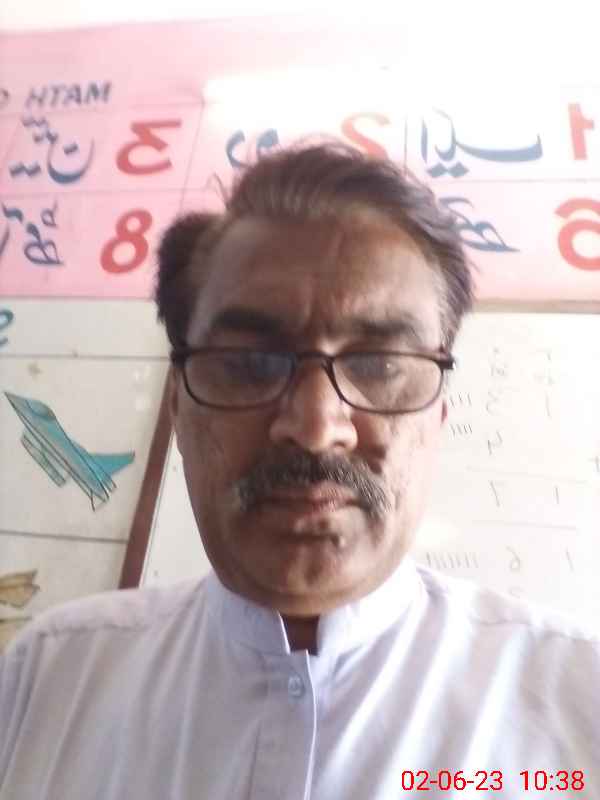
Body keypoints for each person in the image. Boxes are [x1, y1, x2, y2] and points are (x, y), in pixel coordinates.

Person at [1, 143, 598, 800]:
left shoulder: (574, 704)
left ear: (438, 416)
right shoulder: (49, 680)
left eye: (379, 364)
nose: (316, 427)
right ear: (178, 404)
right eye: (248, 362)